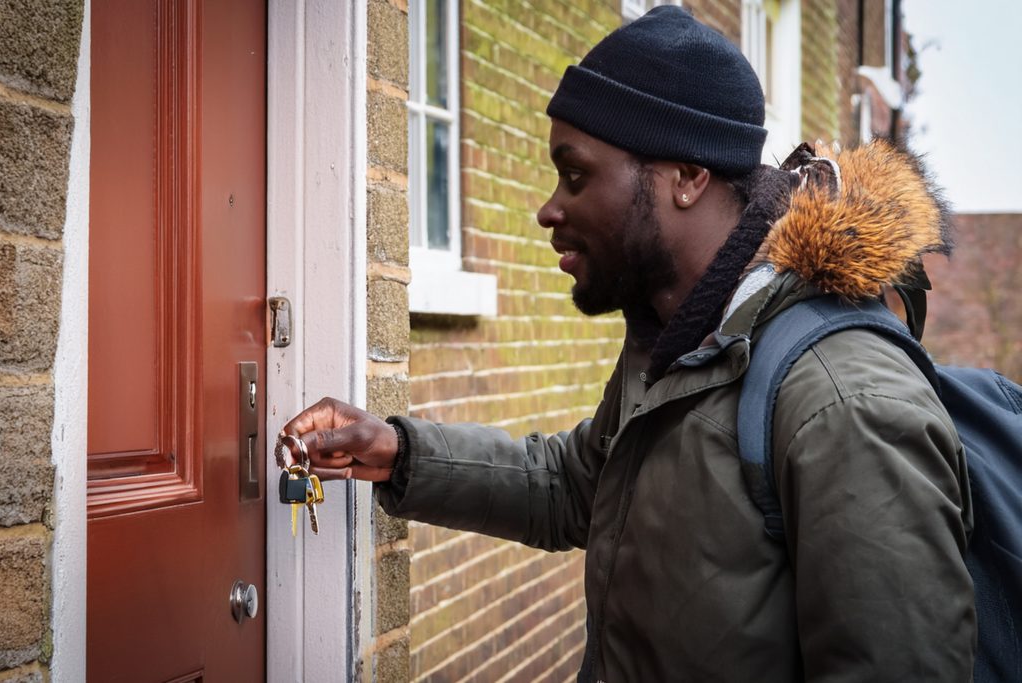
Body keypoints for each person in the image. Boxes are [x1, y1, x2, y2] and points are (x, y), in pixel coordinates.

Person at [280, 7, 975, 681]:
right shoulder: (679, 336)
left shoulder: (843, 399)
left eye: (575, 173)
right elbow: (574, 485)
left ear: (687, 177)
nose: (549, 208)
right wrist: (400, 451)